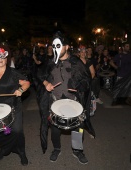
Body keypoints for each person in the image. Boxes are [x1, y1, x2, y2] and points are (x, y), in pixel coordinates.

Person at [38, 31, 95, 164]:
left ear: (67, 46)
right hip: (55, 102)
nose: (55, 49)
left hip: (74, 101)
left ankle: (77, 150)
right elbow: (39, 75)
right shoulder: (50, 62)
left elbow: (87, 79)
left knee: (78, 128)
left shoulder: (76, 62)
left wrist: (80, 87)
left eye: (59, 46)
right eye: (54, 46)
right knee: (55, 129)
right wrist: (46, 83)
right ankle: (57, 149)